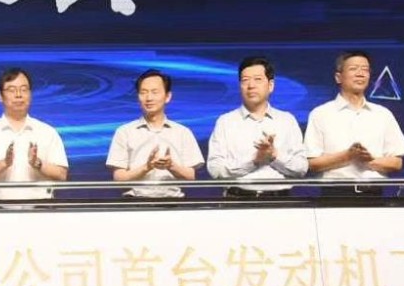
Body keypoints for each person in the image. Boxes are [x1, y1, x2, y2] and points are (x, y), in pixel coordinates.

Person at [304, 50, 404, 195]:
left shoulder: (383, 114)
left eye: (365, 70)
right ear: (338, 77)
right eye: (353, 69)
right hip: (335, 193)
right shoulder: (320, 114)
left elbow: (397, 163)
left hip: (373, 194)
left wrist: (369, 160)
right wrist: (347, 156)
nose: (360, 74)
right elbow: (312, 163)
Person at [205, 56, 307, 196]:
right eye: (245, 80)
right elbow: (215, 169)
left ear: (270, 85)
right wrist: (254, 161)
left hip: (279, 201)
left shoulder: (287, 121)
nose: (251, 85)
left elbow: (301, 168)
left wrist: (274, 156)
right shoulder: (226, 122)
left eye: (257, 79)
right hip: (238, 199)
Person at [0, 68, 69, 202]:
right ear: (0, 96)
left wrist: (37, 163)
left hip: (40, 209)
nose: (18, 95)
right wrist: (3, 163)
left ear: (30, 94)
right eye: (11, 90)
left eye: (24, 89)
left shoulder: (47, 132)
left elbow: (62, 175)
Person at [106, 69, 203, 198]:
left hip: (173, 203)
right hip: (135, 202)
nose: (149, 98)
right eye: (143, 92)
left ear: (167, 96)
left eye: (154, 92)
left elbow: (191, 177)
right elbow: (119, 179)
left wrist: (171, 166)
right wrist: (147, 167)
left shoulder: (183, 132)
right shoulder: (124, 132)